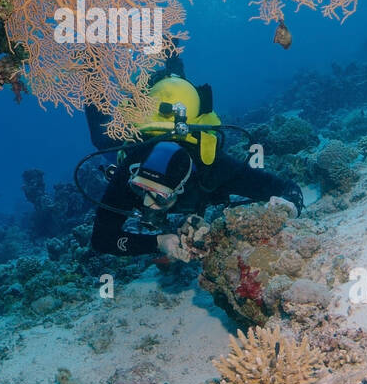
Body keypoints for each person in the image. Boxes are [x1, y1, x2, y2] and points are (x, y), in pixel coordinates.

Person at [88, 74, 303, 260]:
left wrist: (286, 208)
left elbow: (287, 188)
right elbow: (101, 239)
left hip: (190, 134)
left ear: (182, 187)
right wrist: (158, 242)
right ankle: (91, 67)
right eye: (140, 189)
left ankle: (172, 62)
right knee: (102, 140)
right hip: (147, 124)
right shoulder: (130, 169)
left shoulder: (216, 169)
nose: (146, 202)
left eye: (159, 196)